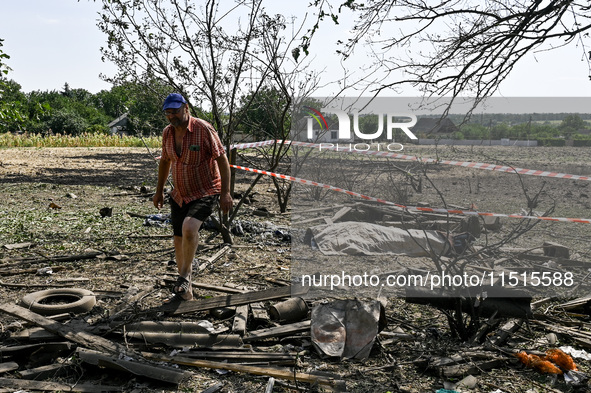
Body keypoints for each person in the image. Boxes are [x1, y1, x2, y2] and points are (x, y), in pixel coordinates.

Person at [153, 93, 232, 302]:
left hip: (205, 190)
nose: (172, 117)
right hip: (180, 193)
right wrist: (159, 190)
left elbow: (222, 160)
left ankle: (184, 275)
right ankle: (185, 291)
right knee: (179, 237)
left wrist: (225, 193)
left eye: (175, 111)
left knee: (189, 228)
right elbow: (164, 162)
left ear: (185, 108)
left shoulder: (203, 129)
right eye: (168, 113)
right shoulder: (167, 133)